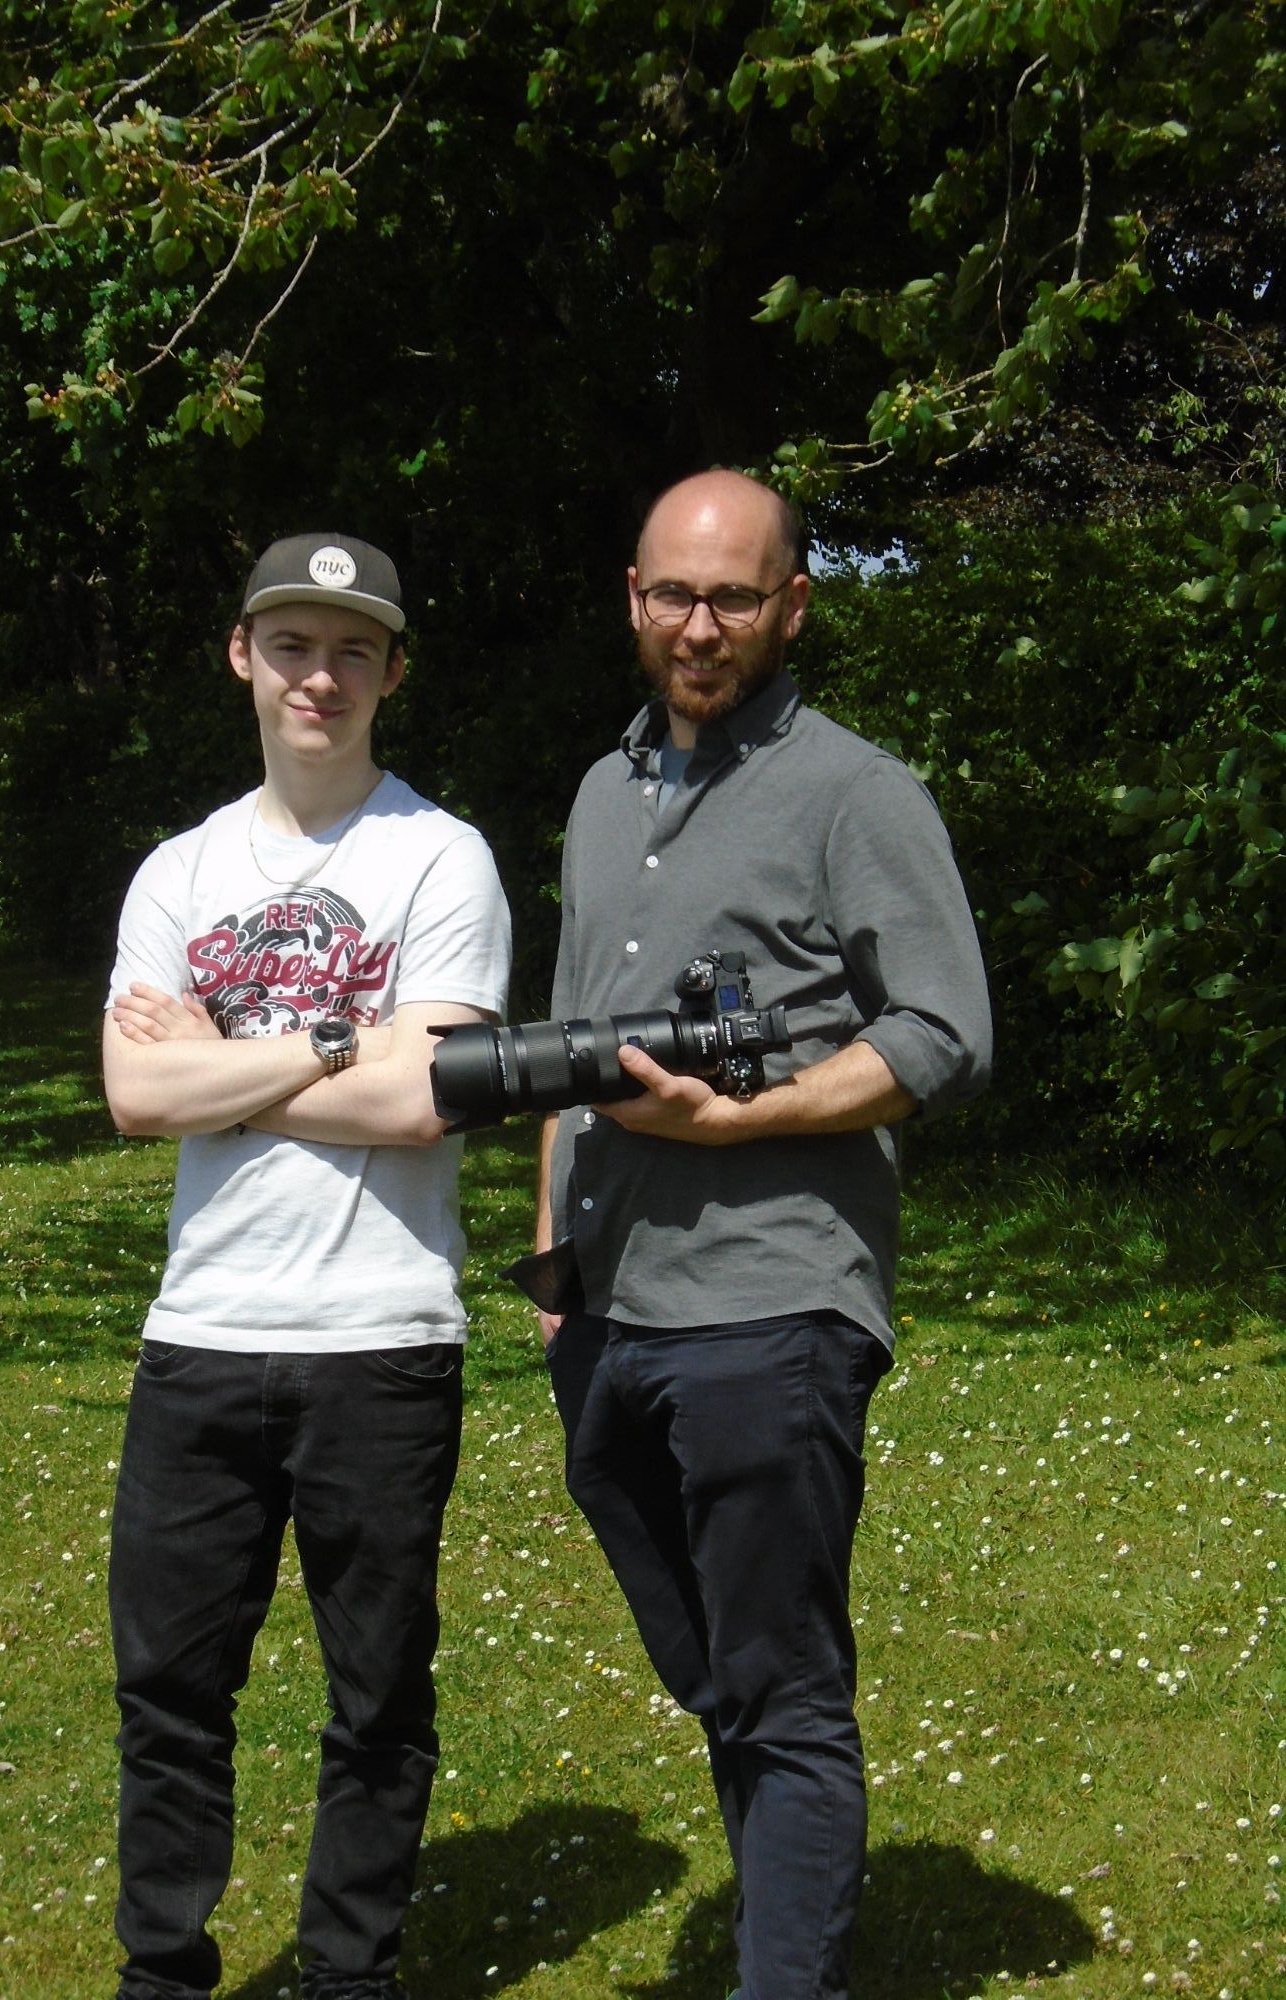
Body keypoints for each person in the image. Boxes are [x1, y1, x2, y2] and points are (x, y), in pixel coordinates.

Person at [534, 470, 992, 2000]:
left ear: (794, 604)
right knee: (723, 1675)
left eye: (736, 596)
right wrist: (552, 1274)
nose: (702, 625)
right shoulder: (604, 795)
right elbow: (572, 1047)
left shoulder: (860, 794)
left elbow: (941, 1030)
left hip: (774, 1300)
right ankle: (791, 1914)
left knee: (781, 1690)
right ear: (633, 596)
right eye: (675, 592)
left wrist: (754, 1117)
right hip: (606, 1311)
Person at [102, 532, 512, 2000]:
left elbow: (427, 1099)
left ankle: (349, 1976)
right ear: (243, 656)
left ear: (392, 670)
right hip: (200, 1333)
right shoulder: (179, 869)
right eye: (292, 644)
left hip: (381, 1338)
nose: (318, 675)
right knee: (170, 1696)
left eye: (350, 648)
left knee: (377, 1698)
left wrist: (236, 1059)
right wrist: (350, 1036)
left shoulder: (440, 857)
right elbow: (136, 1098)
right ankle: (165, 1973)